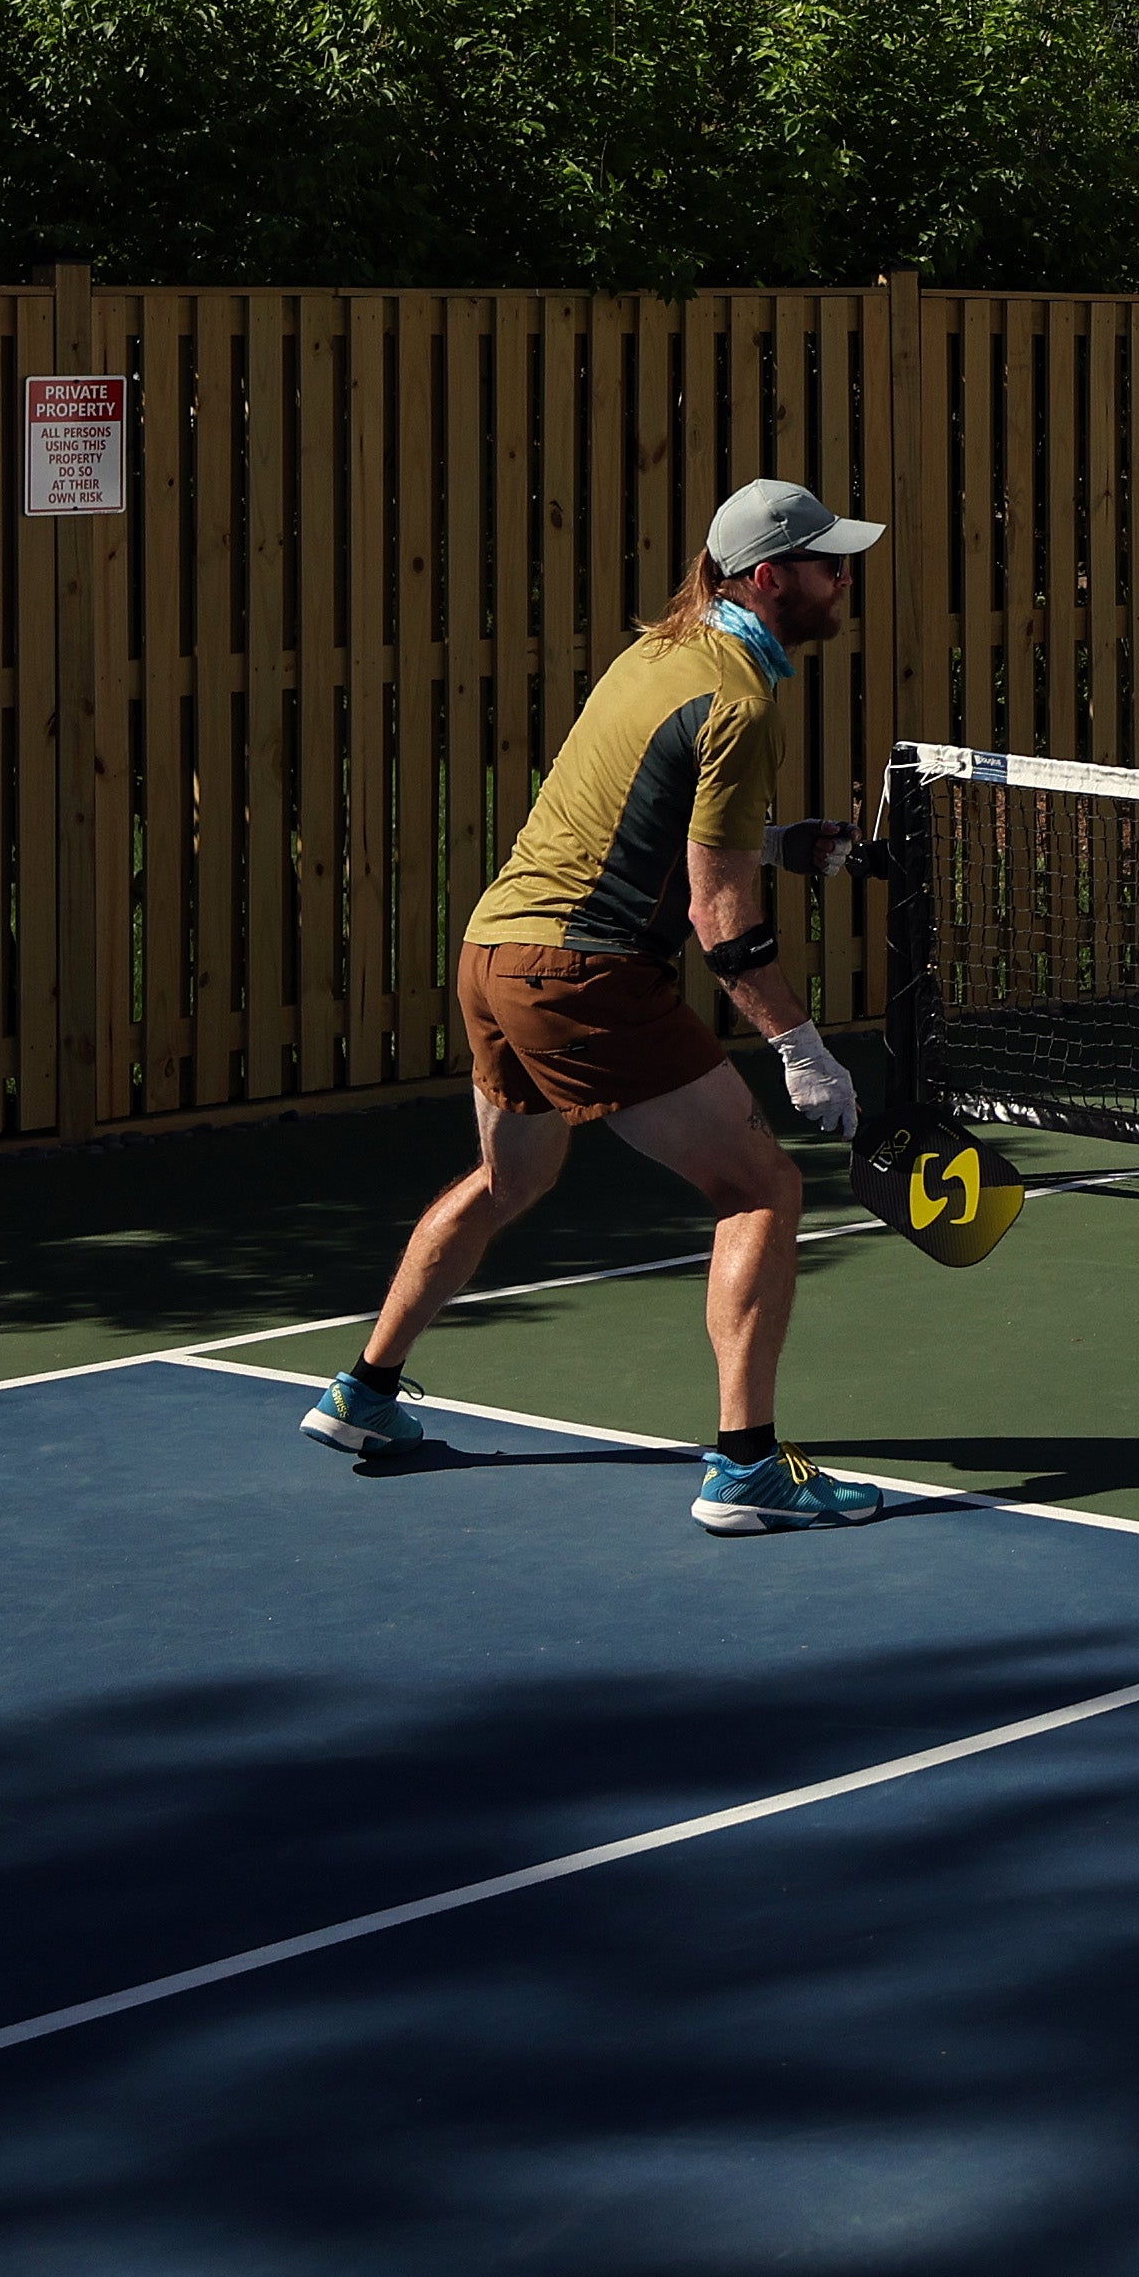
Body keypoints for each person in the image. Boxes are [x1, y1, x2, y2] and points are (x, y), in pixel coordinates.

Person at [304, 478, 904, 1528]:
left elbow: (628, 815)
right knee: (761, 1190)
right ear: (770, 579)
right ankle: (748, 1470)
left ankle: (363, 1393)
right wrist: (802, 1048)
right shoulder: (743, 698)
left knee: (507, 1177)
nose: (842, 578)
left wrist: (776, 843)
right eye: (827, 565)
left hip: (494, 952)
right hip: (583, 978)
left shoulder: (658, 654)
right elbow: (722, 920)